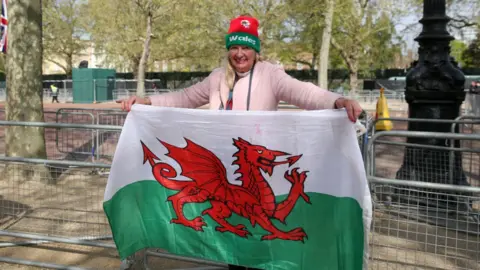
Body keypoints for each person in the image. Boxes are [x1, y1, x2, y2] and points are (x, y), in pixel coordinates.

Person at [118, 14, 363, 270]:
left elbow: (304, 92)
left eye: (246, 47)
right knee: (234, 246)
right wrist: (148, 102)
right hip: (222, 173)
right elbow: (185, 97)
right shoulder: (216, 78)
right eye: (234, 47)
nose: (239, 53)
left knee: (257, 247)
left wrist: (337, 101)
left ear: (256, 50)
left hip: (255, 175)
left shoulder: (271, 75)